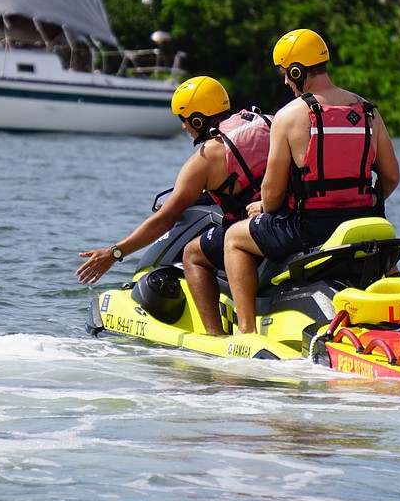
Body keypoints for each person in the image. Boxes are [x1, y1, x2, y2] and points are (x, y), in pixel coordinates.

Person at [223, 29, 400, 334]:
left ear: (297, 70)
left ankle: (245, 330)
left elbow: (274, 192)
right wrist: (359, 202)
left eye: (285, 74)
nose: (285, 82)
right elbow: (391, 176)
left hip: (309, 228)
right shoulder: (369, 111)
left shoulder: (290, 116)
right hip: (365, 220)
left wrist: (263, 207)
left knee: (234, 240)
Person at [76, 76, 271, 336]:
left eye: (185, 118)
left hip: (254, 231)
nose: (183, 127)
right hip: (285, 217)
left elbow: (164, 220)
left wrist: (115, 253)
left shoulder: (204, 160)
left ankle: (214, 335)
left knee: (193, 254)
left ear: (199, 119)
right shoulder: (266, 121)